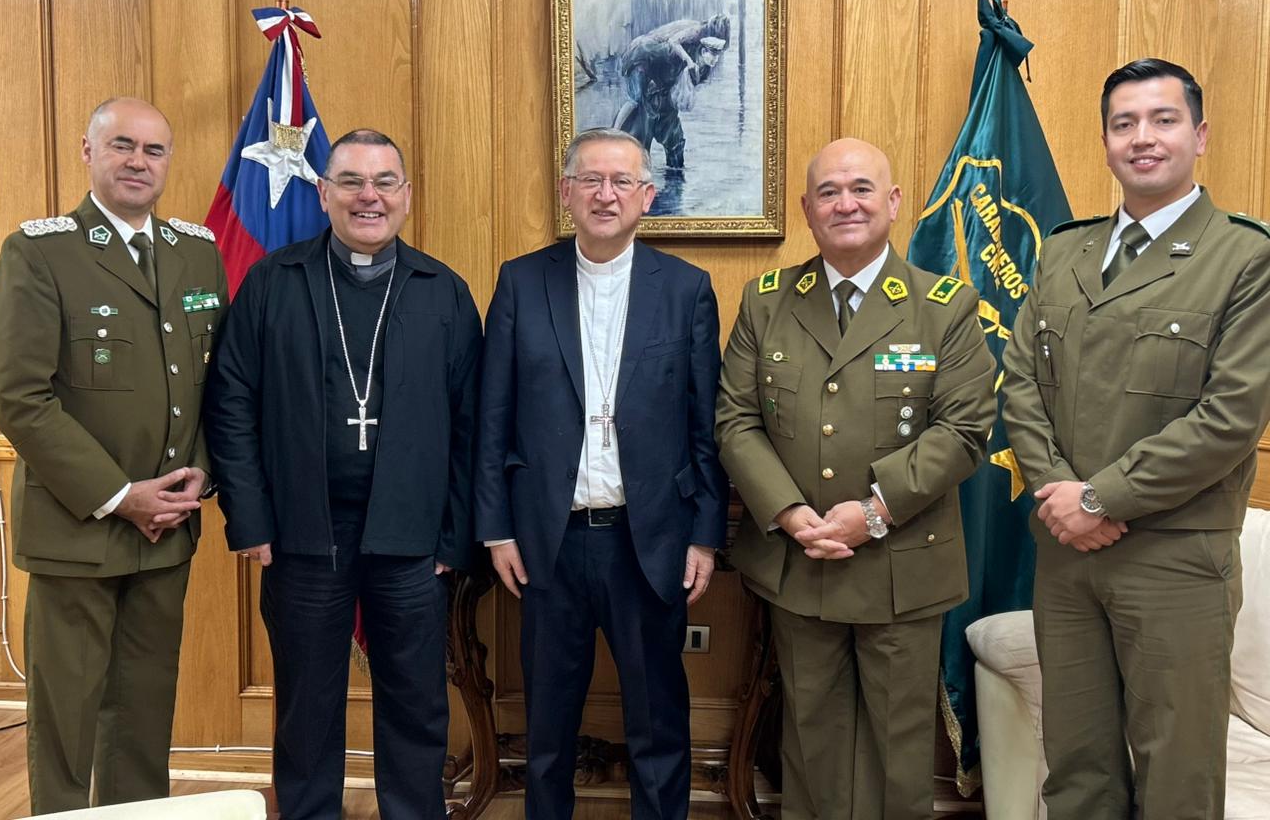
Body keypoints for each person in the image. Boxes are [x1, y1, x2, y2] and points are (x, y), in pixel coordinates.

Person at [1002, 58, 1270, 819]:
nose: (1142, 139)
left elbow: (1231, 417)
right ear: (1106, 141)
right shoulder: (1064, 251)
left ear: (1200, 135)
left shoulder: (1247, 258)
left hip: (1174, 559)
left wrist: (1098, 496)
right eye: (1124, 124)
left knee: (1176, 777)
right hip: (1066, 555)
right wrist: (1063, 499)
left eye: (1163, 120)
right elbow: (1020, 383)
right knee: (1078, 771)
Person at [203, 129, 480, 820]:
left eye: (385, 181)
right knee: (306, 708)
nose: (369, 196)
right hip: (301, 535)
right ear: (323, 193)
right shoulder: (273, 282)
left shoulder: (443, 291)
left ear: (407, 196)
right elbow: (230, 403)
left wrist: (453, 539)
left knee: (416, 705)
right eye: (352, 181)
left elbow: (475, 426)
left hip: (413, 541)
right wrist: (250, 517)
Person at [715, 137, 995, 820]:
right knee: (809, 742)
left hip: (901, 566)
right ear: (808, 209)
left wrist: (870, 513)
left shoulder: (945, 306)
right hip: (798, 558)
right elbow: (735, 420)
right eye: (830, 192)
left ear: (893, 203)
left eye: (862, 188)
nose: (846, 203)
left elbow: (964, 432)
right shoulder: (768, 300)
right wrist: (786, 512)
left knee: (898, 751)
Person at [475, 127, 726, 820]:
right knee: (549, 727)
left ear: (648, 196)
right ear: (566, 193)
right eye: (590, 180)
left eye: (622, 182)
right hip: (547, 541)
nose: (605, 194)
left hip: (649, 540)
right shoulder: (522, 282)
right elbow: (493, 417)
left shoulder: (685, 290)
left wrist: (704, 536)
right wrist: (496, 529)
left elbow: (705, 425)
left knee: (657, 721)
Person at [0, 97, 226, 813]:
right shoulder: (40, 251)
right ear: (88, 153)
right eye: (121, 145)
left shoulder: (197, 250)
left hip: (167, 533)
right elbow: (20, 398)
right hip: (79, 531)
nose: (137, 162)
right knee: (66, 723)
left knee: (145, 716)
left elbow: (216, 381)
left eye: (154, 151)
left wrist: (198, 475)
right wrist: (124, 496)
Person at [612, 15, 731, 172]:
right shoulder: (691, 36)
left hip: (660, 77)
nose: (716, 59)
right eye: (713, 52)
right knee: (638, 104)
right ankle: (613, 135)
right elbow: (667, 47)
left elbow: (680, 90)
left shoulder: (701, 66)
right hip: (641, 58)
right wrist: (688, 62)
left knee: (672, 136)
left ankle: (671, 171)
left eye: (719, 53)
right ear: (702, 48)